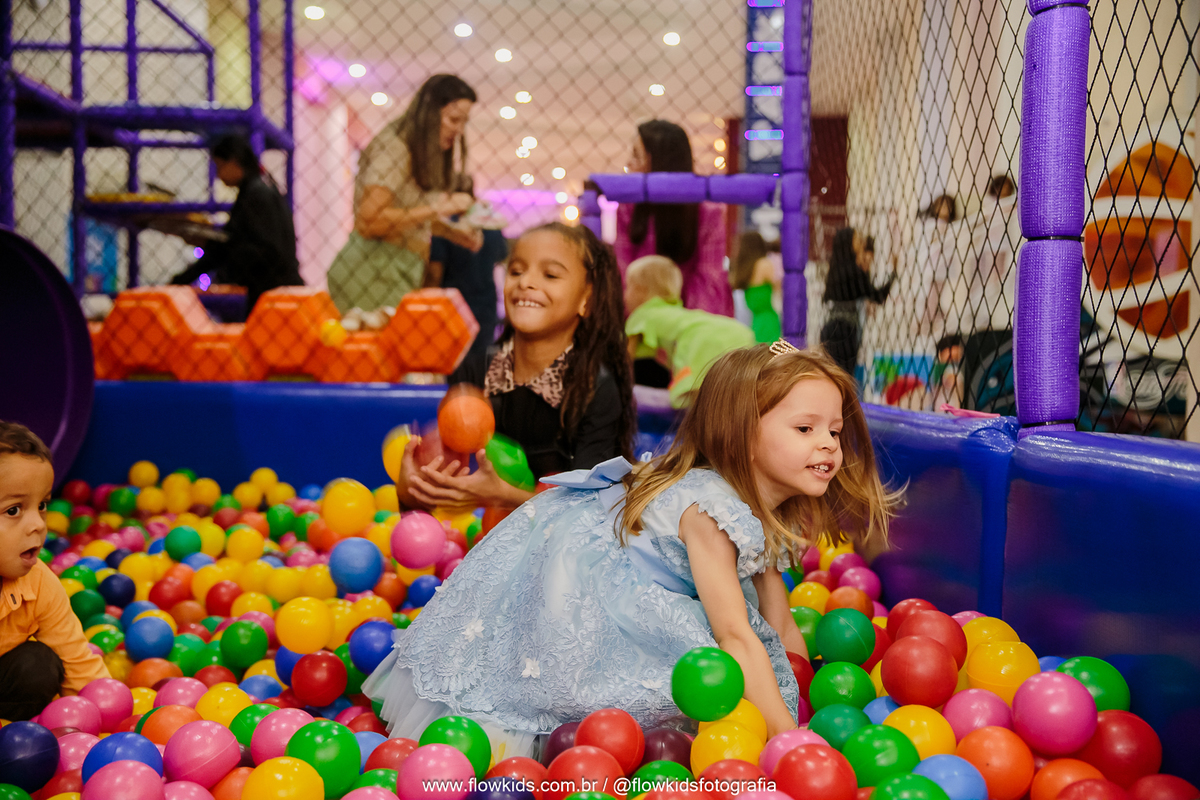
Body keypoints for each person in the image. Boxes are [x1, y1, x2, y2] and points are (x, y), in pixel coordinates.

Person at [363, 344, 896, 758]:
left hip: (612, 561)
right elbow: (735, 635)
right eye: (805, 428)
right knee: (582, 690)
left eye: (834, 431)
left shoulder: (766, 506)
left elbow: (778, 621)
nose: (828, 444)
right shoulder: (712, 509)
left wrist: (800, 691)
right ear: (739, 434)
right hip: (579, 581)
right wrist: (788, 744)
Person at [397, 222, 635, 511]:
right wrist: (413, 488)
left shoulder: (594, 388)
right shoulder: (475, 372)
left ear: (587, 299)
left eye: (550, 275)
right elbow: (442, 487)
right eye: (516, 271)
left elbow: (591, 508)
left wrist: (504, 497)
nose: (526, 282)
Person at [326, 74, 482, 313]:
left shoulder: (420, 152)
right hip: (373, 270)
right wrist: (438, 209)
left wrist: (450, 232)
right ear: (430, 114)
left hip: (394, 269)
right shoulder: (396, 147)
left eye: (463, 122)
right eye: (453, 119)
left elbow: (405, 219)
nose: (459, 130)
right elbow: (370, 221)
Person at [0, 422, 110, 720]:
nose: (38, 524)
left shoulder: (38, 583)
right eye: (14, 510)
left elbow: (77, 663)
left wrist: (107, 718)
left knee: (38, 664)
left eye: (42, 505)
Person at [170, 134, 303, 317]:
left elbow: (258, 249)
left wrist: (219, 250)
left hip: (270, 292)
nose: (218, 175)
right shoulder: (259, 188)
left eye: (220, 166)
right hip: (277, 291)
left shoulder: (256, 194)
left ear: (234, 161)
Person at [614, 120, 734, 317]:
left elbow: (708, 285)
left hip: (691, 321)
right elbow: (624, 277)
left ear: (657, 163)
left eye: (636, 156)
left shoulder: (706, 213)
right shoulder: (629, 207)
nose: (628, 164)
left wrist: (680, 328)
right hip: (638, 317)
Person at [625, 255, 756, 408]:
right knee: (731, 393)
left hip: (700, 338)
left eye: (627, 287)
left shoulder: (642, 314)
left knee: (692, 395)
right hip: (737, 331)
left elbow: (626, 357)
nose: (624, 295)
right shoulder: (675, 312)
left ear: (639, 290)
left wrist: (622, 389)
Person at [426, 177, 509, 381]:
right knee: (480, 364)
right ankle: (477, 398)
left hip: (452, 304)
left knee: (451, 364)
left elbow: (435, 271)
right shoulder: (490, 223)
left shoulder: (446, 226)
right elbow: (501, 256)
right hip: (485, 302)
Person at [819, 227, 896, 378]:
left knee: (830, 375)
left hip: (830, 328)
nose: (859, 243)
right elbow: (878, 296)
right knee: (845, 376)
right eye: (856, 240)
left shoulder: (834, 270)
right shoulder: (854, 271)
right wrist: (893, 275)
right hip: (846, 331)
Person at [730, 231, 783, 343]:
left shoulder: (745, 269)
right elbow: (780, 288)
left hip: (755, 322)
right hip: (769, 321)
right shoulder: (764, 264)